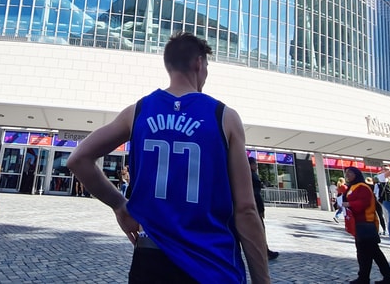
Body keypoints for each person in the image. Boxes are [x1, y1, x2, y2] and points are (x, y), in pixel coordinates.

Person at [67, 32, 270, 283]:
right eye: (206, 66)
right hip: (213, 264)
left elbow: (78, 159)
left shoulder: (138, 111)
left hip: (151, 262)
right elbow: (246, 209)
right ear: (198, 63)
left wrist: (119, 204)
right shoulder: (223, 117)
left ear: (169, 65)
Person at [343, 166, 390, 284]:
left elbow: (364, 203)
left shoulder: (362, 187)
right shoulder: (352, 187)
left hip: (366, 222)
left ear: (356, 174)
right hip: (358, 223)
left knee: (372, 252)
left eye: (350, 173)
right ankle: (365, 277)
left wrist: (349, 204)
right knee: (365, 253)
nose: (347, 175)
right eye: (346, 173)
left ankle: (385, 278)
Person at [249, 157, 280, 261]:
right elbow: (256, 194)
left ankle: (263, 250)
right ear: (251, 165)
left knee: (256, 230)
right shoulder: (252, 176)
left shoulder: (248, 175)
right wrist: (261, 209)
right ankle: (264, 251)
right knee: (259, 230)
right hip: (254, 206)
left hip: (251, 206)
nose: (257, 166)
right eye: (255, 164)